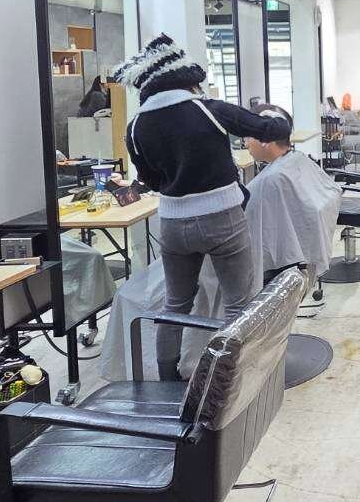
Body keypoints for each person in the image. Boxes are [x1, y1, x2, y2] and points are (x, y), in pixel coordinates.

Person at [113, 33, 278, 380]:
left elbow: (151, 180)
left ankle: (167, 378)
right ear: (188, 79)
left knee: (176, 304)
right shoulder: (208, 109)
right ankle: (229, 377)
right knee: (238, 303)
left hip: (173, 225)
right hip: (222, 220)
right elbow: (271, 128)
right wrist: (271, 118)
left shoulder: (136, 126)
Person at [241, 103, 342, 286]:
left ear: (265, 139)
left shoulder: (272, 180)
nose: (245, 143)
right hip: (300, 261)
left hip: (279, 269)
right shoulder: (297, 160)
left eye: (248, 136)